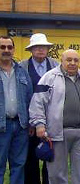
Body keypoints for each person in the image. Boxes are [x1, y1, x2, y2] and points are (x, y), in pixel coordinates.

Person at [29, 49, 80, 184]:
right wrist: (39, 124)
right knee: (57, 173)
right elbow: (38, 102)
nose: (72, 63)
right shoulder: (49, 77)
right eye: (69, 60)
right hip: (57, 133)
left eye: (76, 60)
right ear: (61, 61)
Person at [19, 33, 58, 184]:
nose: (41, 50)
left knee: (50, 156)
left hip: (51, 119)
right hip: (29, 121)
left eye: (44, 47)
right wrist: (30, 122)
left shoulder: (55, 65)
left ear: (48, 49)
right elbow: (22, 95)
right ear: (31, 49)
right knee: (30, 158)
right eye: (37, 47)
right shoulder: (22, 66)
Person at [0, 36, 33, 184]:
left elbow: (29, 98)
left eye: (9, 47)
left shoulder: (22, 72)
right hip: (1, 126)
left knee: (19, 165)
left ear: (13, 49)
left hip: (20, 126)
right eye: (2, 47)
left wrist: (31, 122)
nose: (6, 50)